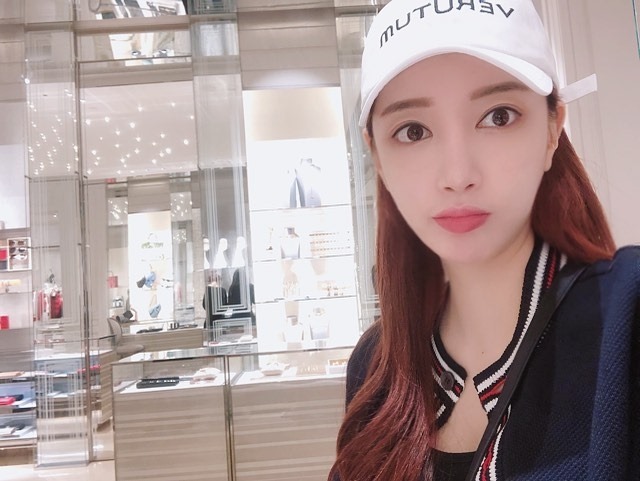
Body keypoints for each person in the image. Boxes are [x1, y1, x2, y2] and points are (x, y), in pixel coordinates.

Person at [329, 1, 640, 480]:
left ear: (552, 129)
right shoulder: (376, 367)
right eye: (413, 131)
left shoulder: (625, 320)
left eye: (498, 116)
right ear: (378, 157)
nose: (458, 175)